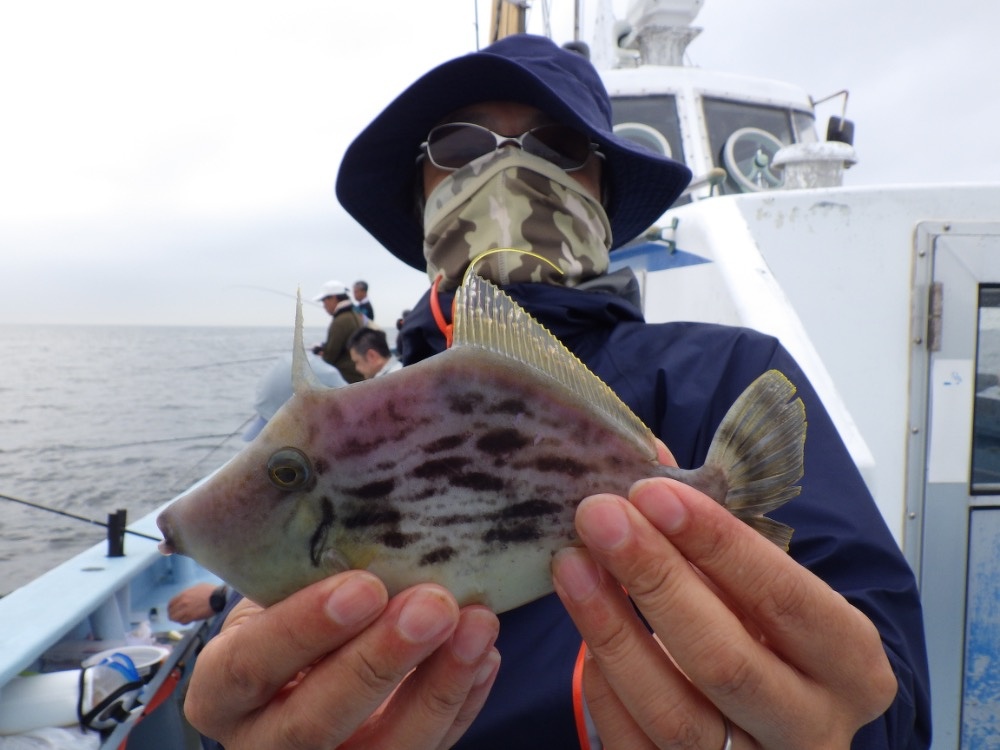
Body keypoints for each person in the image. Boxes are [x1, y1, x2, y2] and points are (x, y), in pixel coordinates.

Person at [183, 35, 930, 749]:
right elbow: (255, 666)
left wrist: (839, 733)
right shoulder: (357, 416)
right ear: (421, 193)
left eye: (558, 145)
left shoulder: (720, 373)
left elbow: (884, 693)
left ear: (601, 189)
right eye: (460, 145)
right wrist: (247, 721)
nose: (508, 165)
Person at [314, 279, 365, 383]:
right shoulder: (355, 316)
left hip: (347, 380)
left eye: (324, 301)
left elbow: (329, 359)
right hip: (360, 376)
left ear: (333, 298)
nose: (324, 305)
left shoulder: (340, 322)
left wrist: (320, 352)